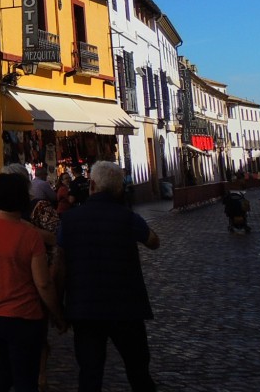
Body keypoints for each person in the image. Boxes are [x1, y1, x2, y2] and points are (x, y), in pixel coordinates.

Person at [54, 160, 160, 392]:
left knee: (90, 374)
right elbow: (154, 241)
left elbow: (60, 266)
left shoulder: (70, 220)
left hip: (85, 309)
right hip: (126, 308)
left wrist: (58, 307)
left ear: (92, 185)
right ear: (119, 189)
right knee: (138, 371)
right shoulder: (126, 217)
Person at [0, 172, 65, 392]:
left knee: (0, 373)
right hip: (23, 318)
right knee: (25, 379)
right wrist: (57, 314)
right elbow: (43, 283)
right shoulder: (30, 235)